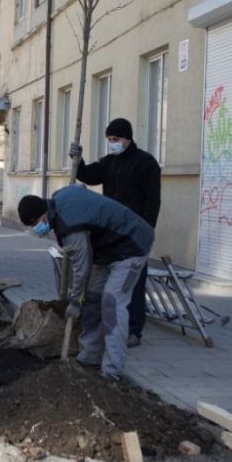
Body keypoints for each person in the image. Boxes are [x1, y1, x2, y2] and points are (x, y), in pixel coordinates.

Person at [17, 185, 154, 380]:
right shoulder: (59, 195)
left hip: (132, 246)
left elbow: (81, 269)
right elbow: (80, 187)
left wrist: (74, 301)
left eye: (36, 224)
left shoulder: (70, 228)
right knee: (91, 299)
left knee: (111, 303)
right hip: (105, 250)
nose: (37, 229)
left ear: (44, 214)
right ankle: (90, 357)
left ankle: (112, 370)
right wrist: (80, 298)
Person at [69, 117, 161, 348]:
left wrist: (147, 229)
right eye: (110, 139)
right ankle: (109, 325)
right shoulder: (109, 162)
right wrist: (78, 160)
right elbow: (89, 175)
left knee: (135, 283)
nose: (113, 143)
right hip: (112, 234)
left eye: (116, 139)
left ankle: (134, 331)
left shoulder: (146, 164)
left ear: (128, 138)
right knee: (111, 284)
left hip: (136, 234)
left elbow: (153, 202)